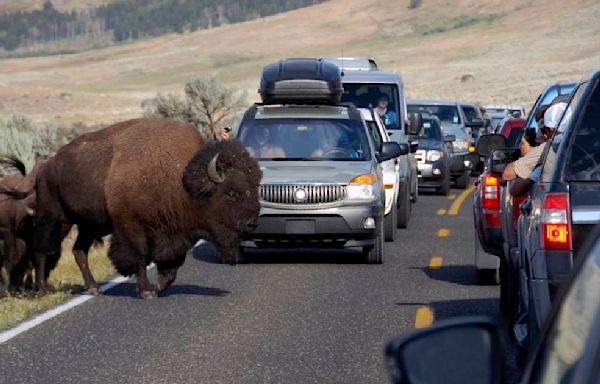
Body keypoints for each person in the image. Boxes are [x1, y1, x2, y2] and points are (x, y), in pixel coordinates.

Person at [502, 102, 567, 181]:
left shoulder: (550, 147)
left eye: (543, 131)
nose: (543, 136)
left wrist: (530, 153)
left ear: (551, 129)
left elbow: (508, 174)